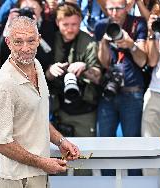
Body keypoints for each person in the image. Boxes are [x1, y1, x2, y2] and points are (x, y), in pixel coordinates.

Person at [0, 16, 80, 187]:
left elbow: (37, 117)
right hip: (17, 180)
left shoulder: (36, 65)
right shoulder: (4, 83)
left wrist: (60, 141)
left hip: (38, 174)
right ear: (8, 42)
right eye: (18, 42)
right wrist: (42, 163)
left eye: (31, 40)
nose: (26, 48)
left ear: (38, 40)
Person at [45, 3, 101, 176]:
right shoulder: (50, 40)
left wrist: (84, 68)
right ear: (57, 22)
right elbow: (36, 74)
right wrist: (49, 72)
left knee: (83, 164)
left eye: (74, 24)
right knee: (58, 164)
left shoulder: (89, 42)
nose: (70, 29)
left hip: (84, 110)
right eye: (65, 25)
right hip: (58, 110)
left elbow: (98, 76)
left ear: (81, 22)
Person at [94, 0, 148, 176]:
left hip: (132, 92)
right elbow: (103, 63)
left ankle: (136, 184)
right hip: (108, 91)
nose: (114, 13)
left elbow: (142, 61)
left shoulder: (137, 23)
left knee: (133, 147)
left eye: (118, 8)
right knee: (105, 145)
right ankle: (106, 183)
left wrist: (131, 45)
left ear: (126, 6)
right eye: (110, 8)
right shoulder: (101, 25)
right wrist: (104, 42)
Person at [0, 0, 57, 73]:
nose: (27, 13)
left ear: (41, 8)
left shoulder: (48, 25)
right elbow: (1, 56)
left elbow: (48, 54)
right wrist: (9, 28)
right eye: (25, 9)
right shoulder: (9, 24)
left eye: (32, 9)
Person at [142, 13, 160, 160]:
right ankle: (150, 183)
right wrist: (152, 34)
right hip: (155, 92)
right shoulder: (159, 29)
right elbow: (152, 61)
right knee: (149, 151)